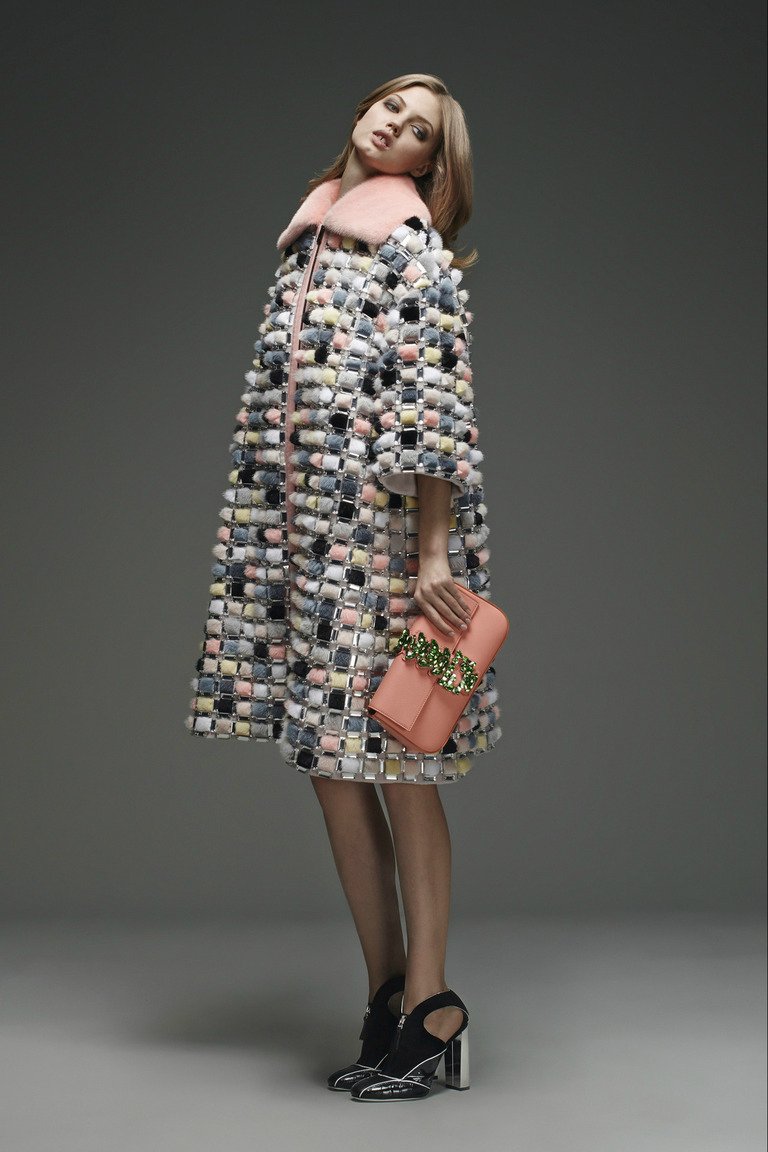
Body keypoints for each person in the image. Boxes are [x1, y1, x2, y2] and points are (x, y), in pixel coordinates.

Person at [185, 73, 501, 1101]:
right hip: (307, 541)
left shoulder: (408, 244)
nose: (392, 125)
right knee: (332, 766)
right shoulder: (311, 235)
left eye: (418, 129)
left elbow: (435, 406)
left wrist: (435, 556)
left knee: (404, 760)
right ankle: (387, 992)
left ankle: (435, 1004)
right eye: (389, 106)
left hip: (387, 544)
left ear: (431, 165)